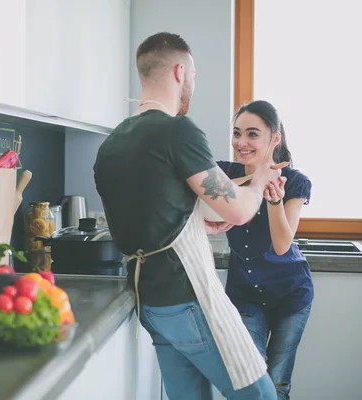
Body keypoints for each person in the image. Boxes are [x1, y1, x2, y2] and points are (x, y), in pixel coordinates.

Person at [93, 32, 283, 400]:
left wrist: (199, 223)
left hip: (150, 301)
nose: (193, 83)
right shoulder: (177, 130)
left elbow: (145, 216)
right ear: (180, 71)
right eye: (194, 75)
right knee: (261, 395)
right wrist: (259, 180)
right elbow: (242, 210)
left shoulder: (112, 143)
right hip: (187, 297)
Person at [207, 100, 313, 400]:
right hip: (245, 294)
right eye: (237, 133)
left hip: (290, 293)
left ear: (274, 138)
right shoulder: (224, 173)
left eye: (252, 134)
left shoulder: (294, 183)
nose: (241, 142)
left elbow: (282, 245)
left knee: (277, 382)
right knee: (248, 378)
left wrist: (274, 201)